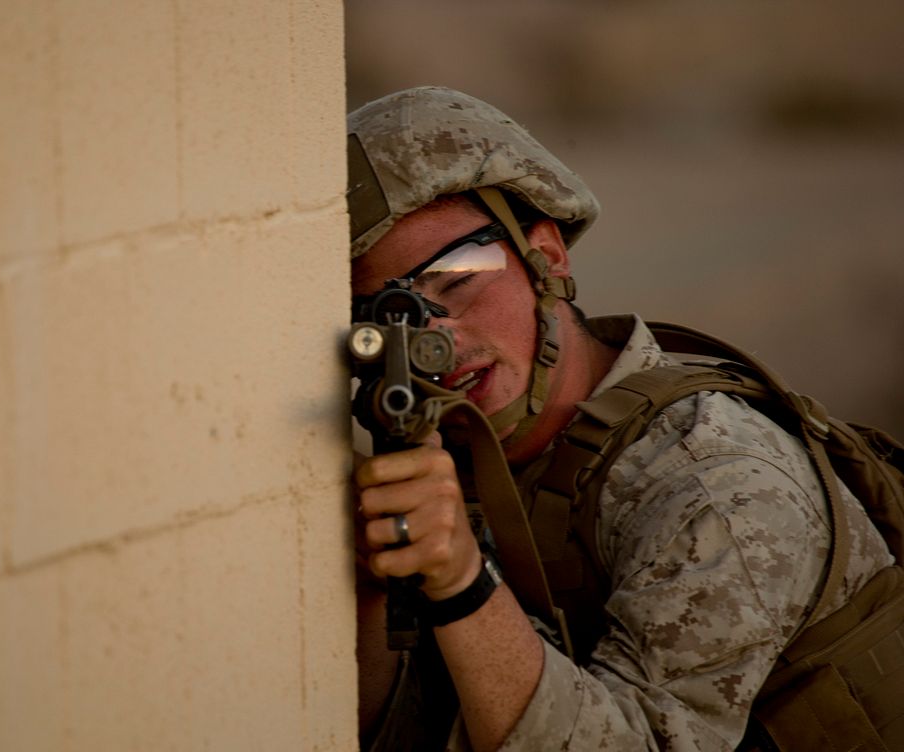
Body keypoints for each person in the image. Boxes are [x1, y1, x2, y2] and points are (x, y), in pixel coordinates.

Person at [348, 87, 896, 752]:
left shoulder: (718, 485)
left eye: (458, 279)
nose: (440, 340)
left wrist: (464, 586)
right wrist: (379, 584)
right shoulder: (445, 459)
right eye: (388, 317)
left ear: (546, 259)